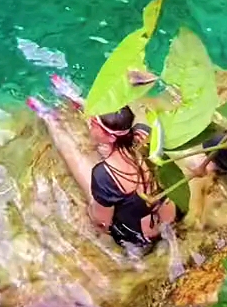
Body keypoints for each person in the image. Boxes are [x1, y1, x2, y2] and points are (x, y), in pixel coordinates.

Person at [30, 101, 181, 251]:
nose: (90, 123)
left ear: (111, 138)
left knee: (80, 164)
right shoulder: (141, 134)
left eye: (94, 122)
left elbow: (102, 222)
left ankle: (50, 119)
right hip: (170, 215)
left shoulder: (104, 175)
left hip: (140, 236)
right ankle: (74, 102)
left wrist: (86, 212)